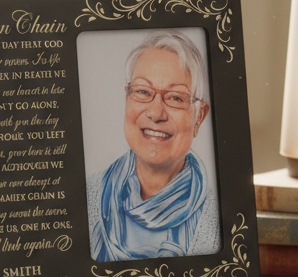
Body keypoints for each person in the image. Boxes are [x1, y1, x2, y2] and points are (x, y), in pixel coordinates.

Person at [87, 30, 221, 261]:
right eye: (142, 91)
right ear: (127, 99)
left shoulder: (220, 215)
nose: (156, 113)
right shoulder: (86, 195)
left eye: (176, 97)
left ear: (199, 117)